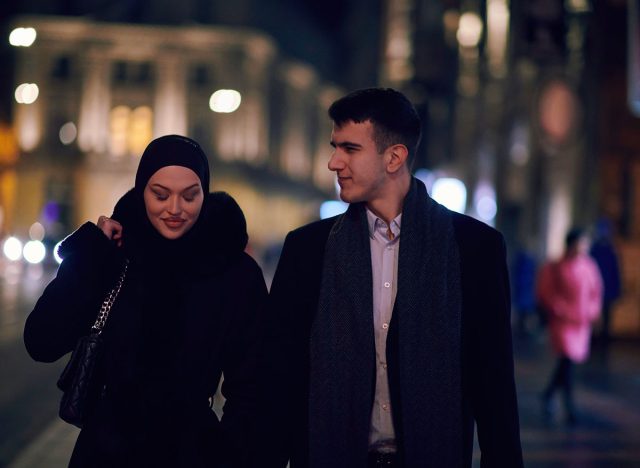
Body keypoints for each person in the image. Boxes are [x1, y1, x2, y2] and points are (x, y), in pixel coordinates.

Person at [263, 88, 523, 467]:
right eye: (335, 147)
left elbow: (494, 385)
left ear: (394, 157)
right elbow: (280, 379)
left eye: (350, 149)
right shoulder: (307, 249)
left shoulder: (474, 248)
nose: (334, 162)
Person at [24, 135, 267, 467]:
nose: (175, 209)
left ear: (205, 194)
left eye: (190, 196)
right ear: (141, 192)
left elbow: (253, 386)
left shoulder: (233, 271)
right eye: (160, 195)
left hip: (192, 451)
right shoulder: (116, 254)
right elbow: (42, 341)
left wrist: (230, 454)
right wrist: (90, 255)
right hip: (105, 450)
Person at [537, 227, 603, 425]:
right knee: (567, 361)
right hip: (563, 323)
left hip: (581, 324)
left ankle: (549, 394)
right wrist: (561, 309)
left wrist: (591, 311)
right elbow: (546, 291)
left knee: (567, 363)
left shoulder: (589, 267)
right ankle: (569, 406)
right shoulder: (556, 266)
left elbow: (596, 292)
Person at [589, 218, 621, 344]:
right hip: (597, 288)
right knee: (595, 313)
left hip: (607, 288)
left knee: (606, 315)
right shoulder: (595, 250)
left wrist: (616, 289)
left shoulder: (610, 251)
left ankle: (603, 337)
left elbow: (615, 272)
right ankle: (594, 337)